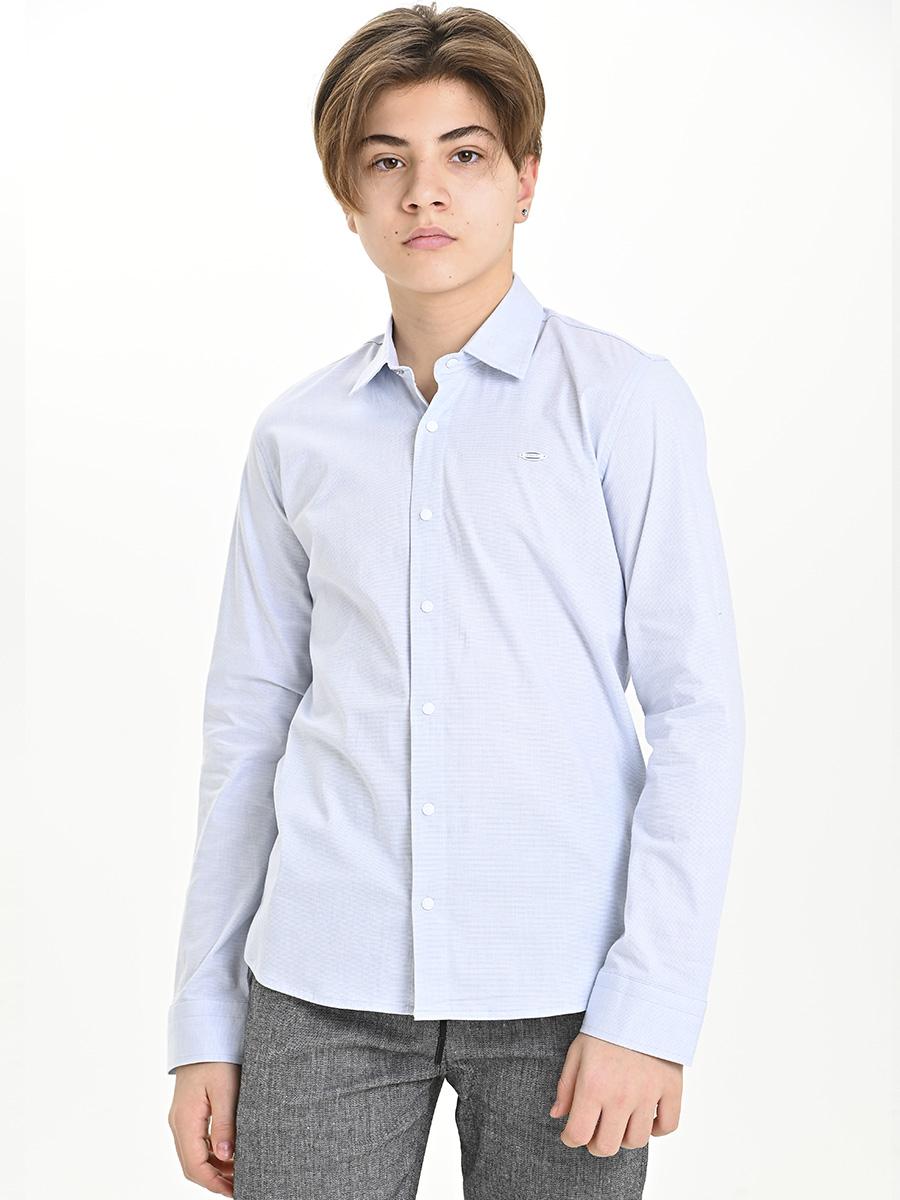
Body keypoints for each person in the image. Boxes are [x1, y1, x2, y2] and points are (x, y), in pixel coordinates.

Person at [166, 4, 745, 1198]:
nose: (424, 191)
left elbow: (697, 712)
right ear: (348, 195)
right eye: (387, 160)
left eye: (465, 154)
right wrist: (204, 1025)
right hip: (320, 985)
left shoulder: (623, 402)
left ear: (525, 179)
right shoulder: (297, 437)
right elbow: (249, 728)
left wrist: (652, 1004)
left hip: (566, 992)